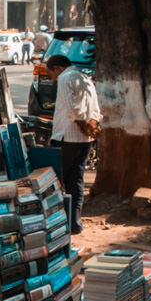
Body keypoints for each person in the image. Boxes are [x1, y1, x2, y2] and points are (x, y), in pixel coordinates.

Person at [46, 53, 102, 234]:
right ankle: (75, 221)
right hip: (85, 139)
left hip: (66, 137)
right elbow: (95, 109)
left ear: (57, 68)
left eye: (51, 74)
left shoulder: (65, 78)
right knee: (76, 179)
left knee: (58, 179)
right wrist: (90, 125)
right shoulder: (85, 79)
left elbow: (72, 108)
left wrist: (81, 122)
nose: (52, 79)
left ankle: (61, 222)